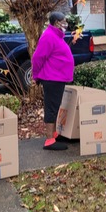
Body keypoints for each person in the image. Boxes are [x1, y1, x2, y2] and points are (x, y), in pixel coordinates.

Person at [32, 12, 75, 151]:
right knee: (51, 108)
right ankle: (49, 140)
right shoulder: (49, 36)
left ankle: (54, 134)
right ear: (56, 22)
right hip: (52, 78)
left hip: (57, 78)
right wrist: (36, 76)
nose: (66, 24)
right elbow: (37, 58)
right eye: (64, 21)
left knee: (55, 107)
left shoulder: (56, 36)